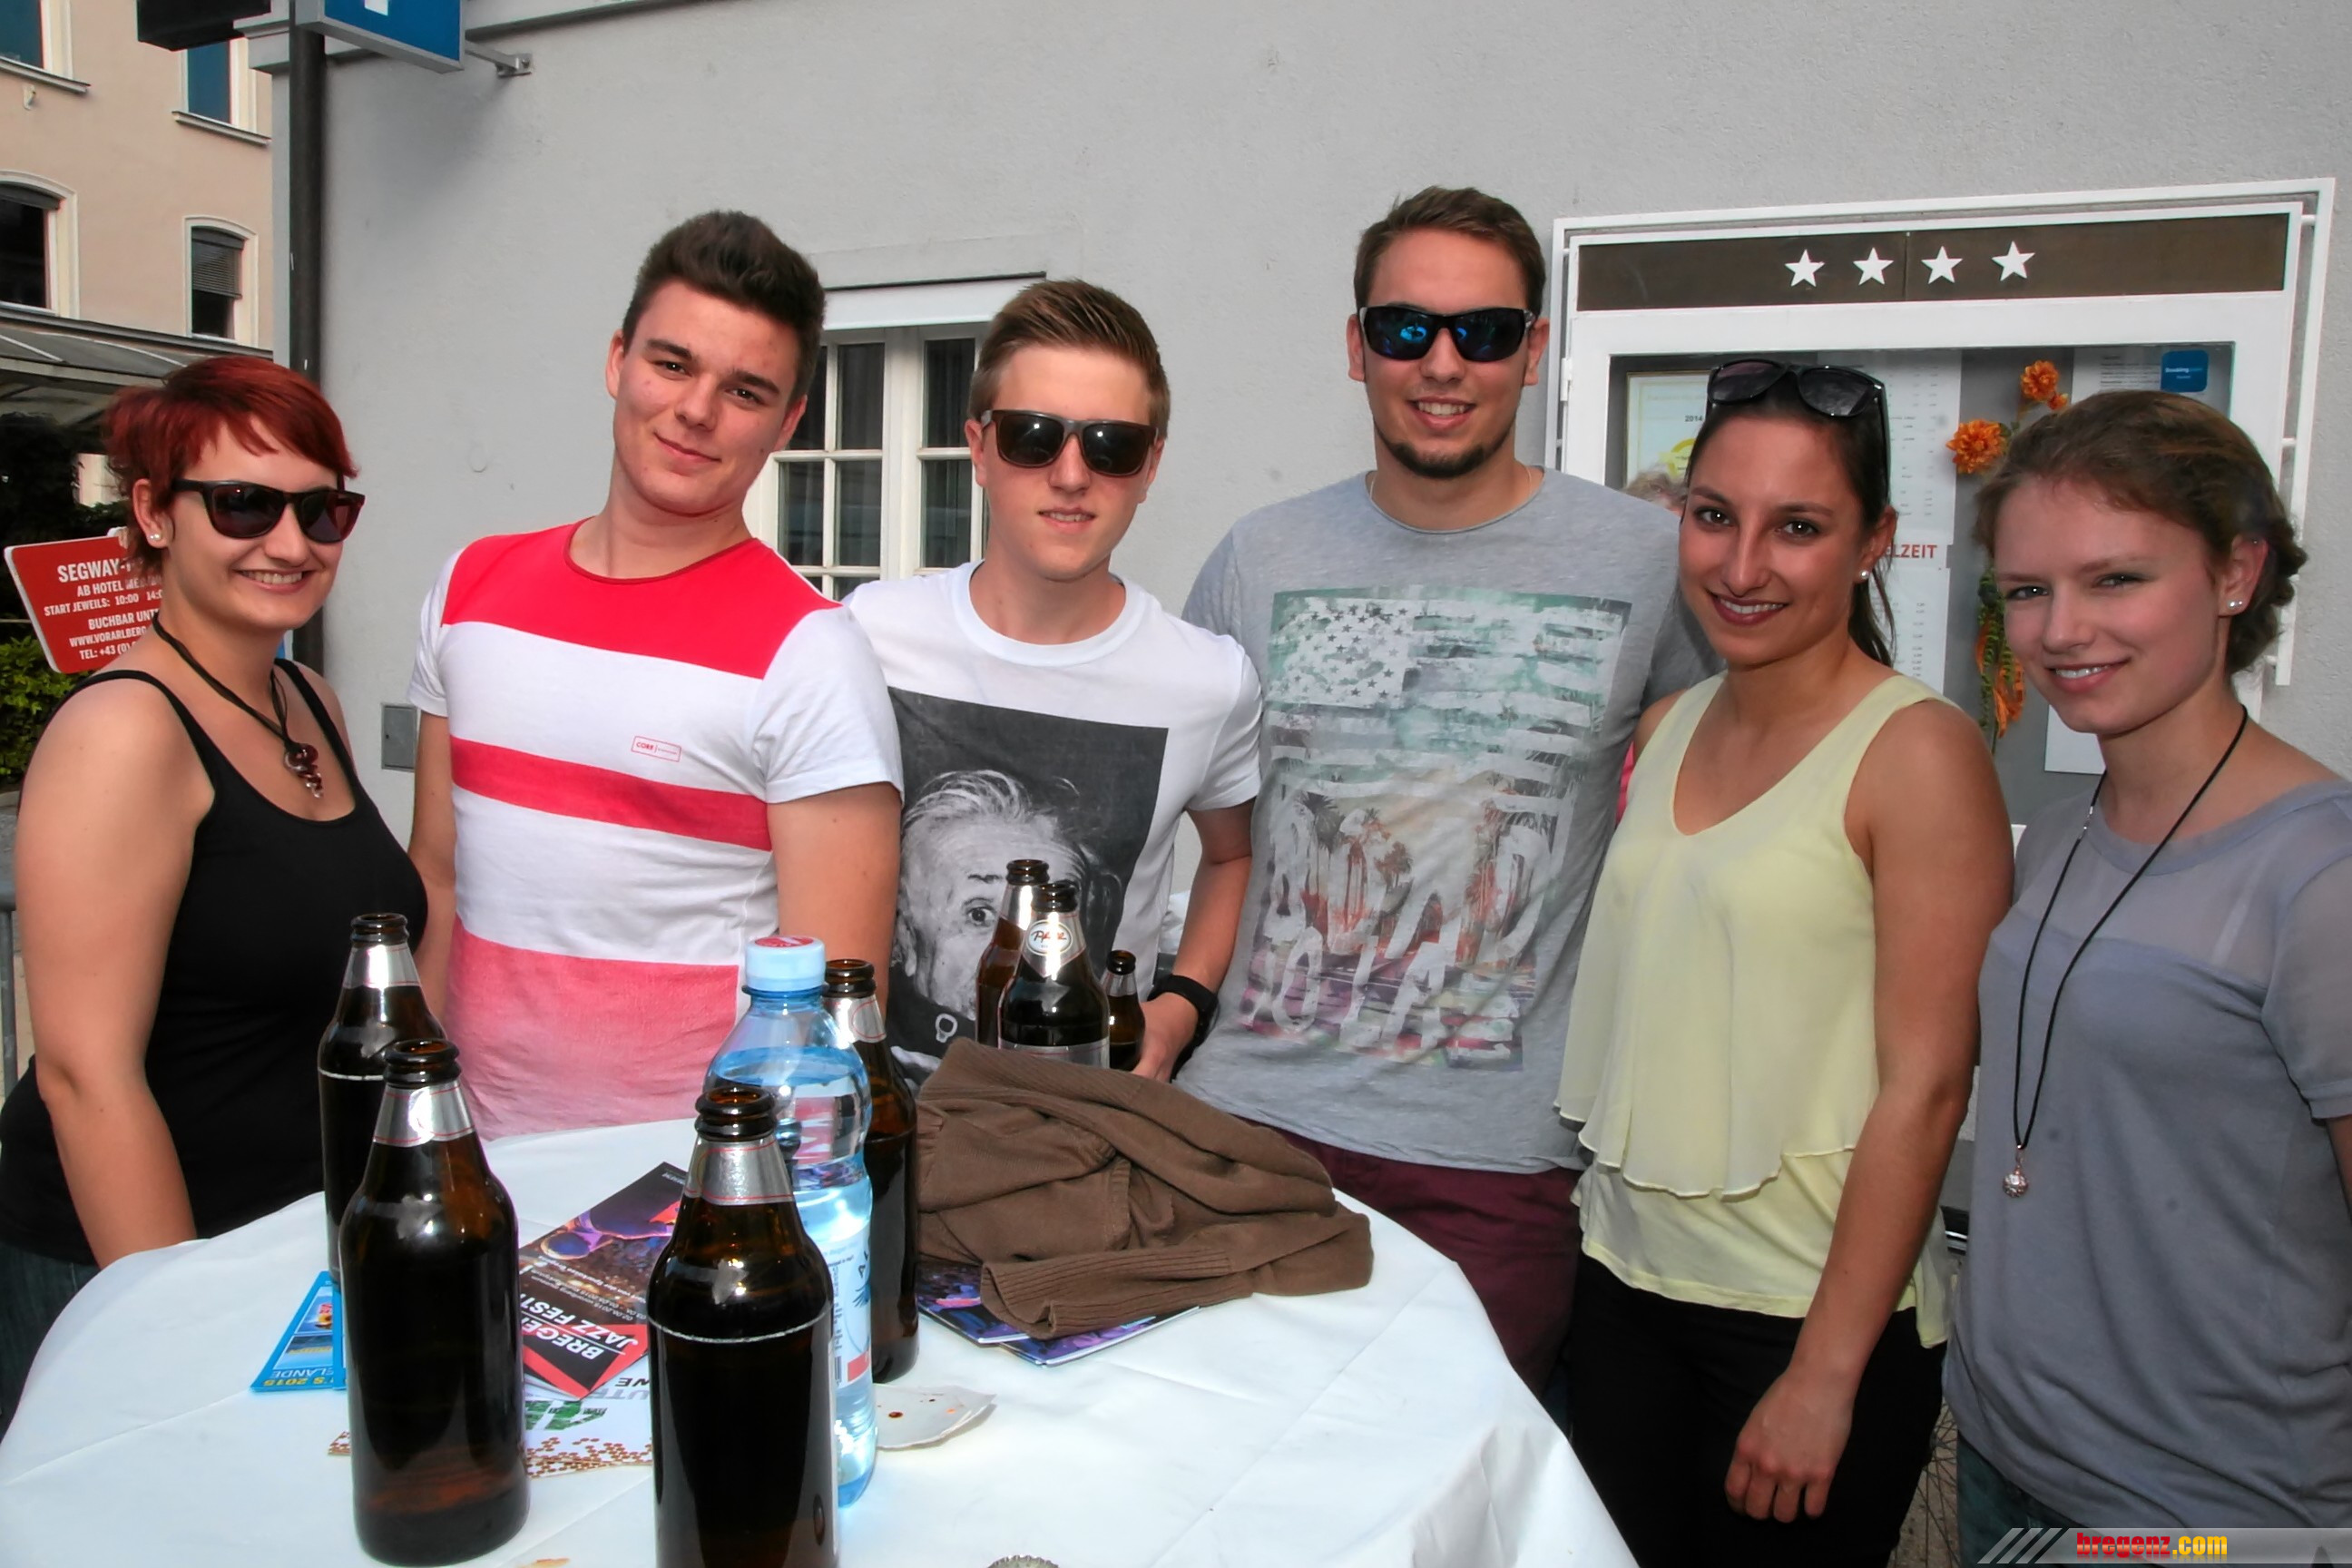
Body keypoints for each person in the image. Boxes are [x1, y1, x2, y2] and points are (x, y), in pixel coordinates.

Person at [1179, 187, 1714, 1387]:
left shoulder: (1645, 561)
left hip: (1498, 1164)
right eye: (1406, 327)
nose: (1442, 362)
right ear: (1356, 344)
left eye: (1483, 331)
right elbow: (1204, 832)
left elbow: (1731, 802)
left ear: (1533, 351)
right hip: (1251, 1135)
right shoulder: (1260, 555)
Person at [1555, 358, 2012, 1566]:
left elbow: (1929, 1087)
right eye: (1715, 516)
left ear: (1876, 543)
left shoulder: (1918, 754)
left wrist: (1824, 1374)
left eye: (1798, 528)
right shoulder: (1671, 724)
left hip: (1801, 1325)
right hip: (1621, 1289)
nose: (1742, 565)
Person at [1945, 391, 2349, 1552]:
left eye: (2115, 579)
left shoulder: (2320, 873)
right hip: (2009, 1460)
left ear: (2236, 573)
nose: (2061, 630)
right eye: (2028, 590)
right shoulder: (2062, 834)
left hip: (2212, 1511)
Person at [407, 211, 901, 1139]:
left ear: (789, 423)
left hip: (684, 1184)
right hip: (470, 1157)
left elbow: (835, 1014)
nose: (697, 411)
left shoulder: (811, 654)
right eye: (673, 364)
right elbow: (434, 881)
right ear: (617, 360)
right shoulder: (468, 588)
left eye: (745, 390)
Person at [0, 357, 426, 1434]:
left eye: (322, 511)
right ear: (153, 513)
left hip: (282, 1254)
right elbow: (85, 1075)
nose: (290, 542)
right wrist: (178, 1320)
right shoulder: (122, 733)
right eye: (243, 504)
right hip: (130, 1269)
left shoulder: (306, 698)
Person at [848, 279, 1258, 1083]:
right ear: (978, 448)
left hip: (1084, 1129)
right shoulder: (866, 636)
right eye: (1032, 437)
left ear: (1151, 466)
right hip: (881, 1124)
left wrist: (1180, 1008)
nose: (1071, 475)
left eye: (1111, 446)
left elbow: (1232, 858)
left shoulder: (1207, 681)